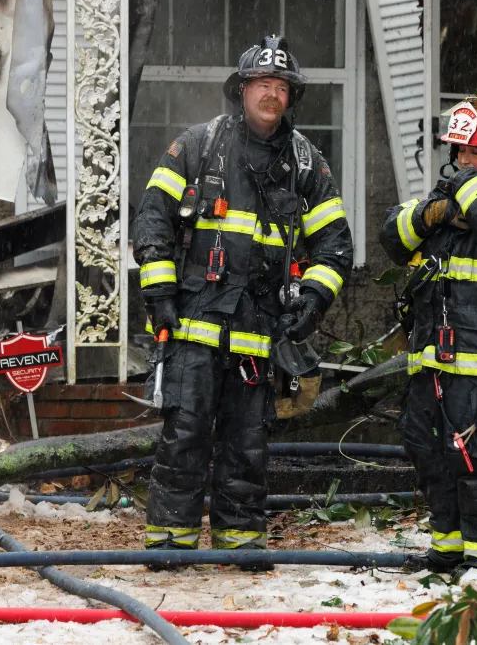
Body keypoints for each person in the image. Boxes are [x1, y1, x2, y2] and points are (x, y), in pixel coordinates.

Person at [132, 35, 353, 565]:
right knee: (184, 434)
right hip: (193, 322)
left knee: (247, 443)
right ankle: (170, 544)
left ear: (289, 97)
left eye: (280, 87)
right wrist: (160, 293)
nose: (270, 95)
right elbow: (153, 218)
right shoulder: (199, 145)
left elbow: (336, 245)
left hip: (259, 329)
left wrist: (314, 300)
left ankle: (240, 545)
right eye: (262, 85)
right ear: (243, 91)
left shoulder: (306, 164)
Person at [380, 98, 477, 578]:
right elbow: (393, 233)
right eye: (460, 153)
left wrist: (467, 192)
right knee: (433, 458)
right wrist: (434, 214)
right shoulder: (443, 205)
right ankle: (448, 552)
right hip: (434, 370)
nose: (464, 163)